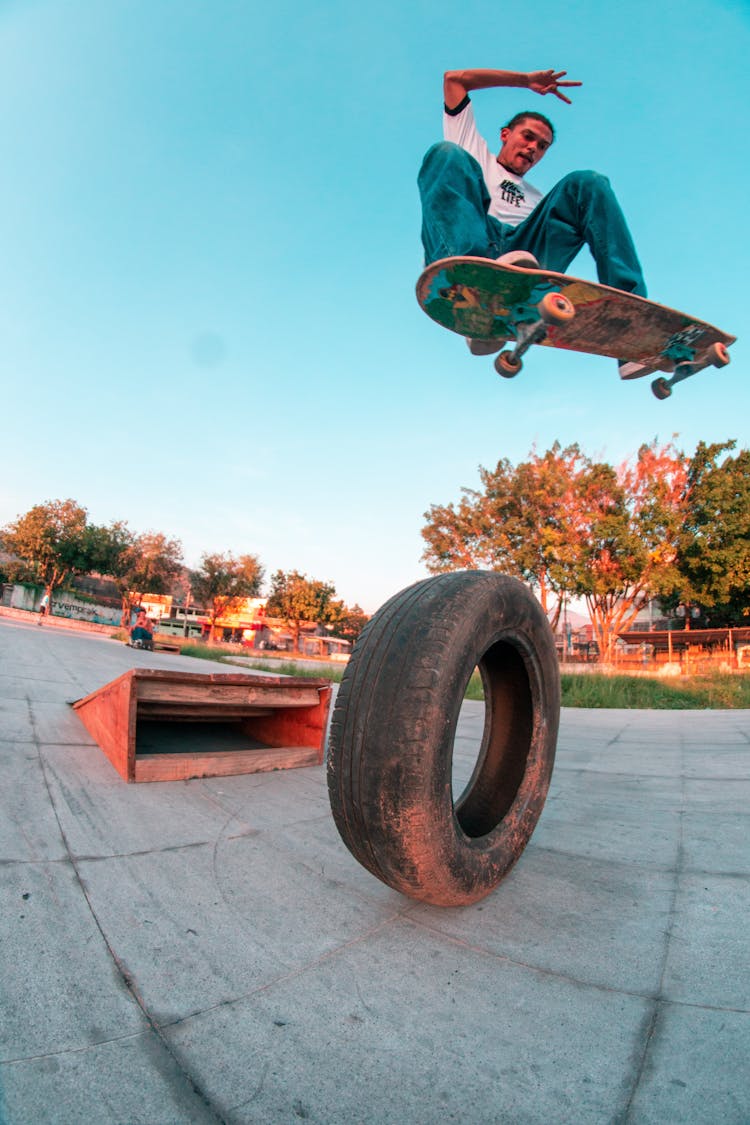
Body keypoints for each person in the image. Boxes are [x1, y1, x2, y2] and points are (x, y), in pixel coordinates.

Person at [417, 67, 647, 377]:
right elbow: (454, 80)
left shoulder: (543, 205)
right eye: (528, 137)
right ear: (505, 134)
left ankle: (630, 323)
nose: (532, 148)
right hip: (470, 242)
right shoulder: (473, 149)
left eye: (542, 147)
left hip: (523, 255)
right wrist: (525, 81)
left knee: (588, 183)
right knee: (447, 154)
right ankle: (472, 279)